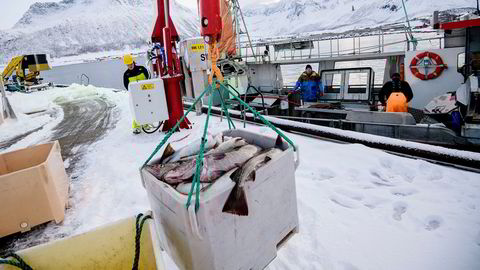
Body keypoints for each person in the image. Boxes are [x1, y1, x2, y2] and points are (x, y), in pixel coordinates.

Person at [123, 54, 150, 134]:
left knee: (145, 108)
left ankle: (145, 124)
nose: (130, 66)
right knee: (136, 110)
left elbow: (148, 78)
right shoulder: (126, 74)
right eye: (128, 65)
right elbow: (126, 85)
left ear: (133, 62)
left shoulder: (142, 69)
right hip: (135, 95)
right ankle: (136, 127)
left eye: (131, 64)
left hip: (145, 93)